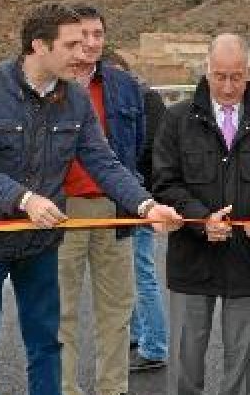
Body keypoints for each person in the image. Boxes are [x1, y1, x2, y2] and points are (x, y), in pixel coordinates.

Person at [0, 3, 181, 395]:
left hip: (39, 244)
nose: (82, 51)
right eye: (70, 44)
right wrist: (25, 199)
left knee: (46, 345)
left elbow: (104, 162)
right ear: (39, 45)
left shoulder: (75, 99)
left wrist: (145, 206)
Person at [152, 34, 250, 395]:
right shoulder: (177, 119)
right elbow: (165, 183)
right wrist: (202, 221)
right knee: (186, 358)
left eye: (236, 76)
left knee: (240, 360)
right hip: (192, 257)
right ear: (206, 70)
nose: (229, 86)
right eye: (219, 76)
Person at [58, 4, 152, 395]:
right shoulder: (50, 85)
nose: (93, 43)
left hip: (115, 210)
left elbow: (139, 145)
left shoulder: (124, 85)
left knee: (116, 313)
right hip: (61, 211)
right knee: (59, 313)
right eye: (84, 36)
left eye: (99, 34)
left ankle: (112, 389)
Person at [102, 50, 171, 374]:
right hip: (120, 202)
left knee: (141, 273)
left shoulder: (147, 100)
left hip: (140, 201)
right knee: (123, 275)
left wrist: (142, 199)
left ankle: (154, 345)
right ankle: (138, 334)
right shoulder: (121, 102)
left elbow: (151, 153)